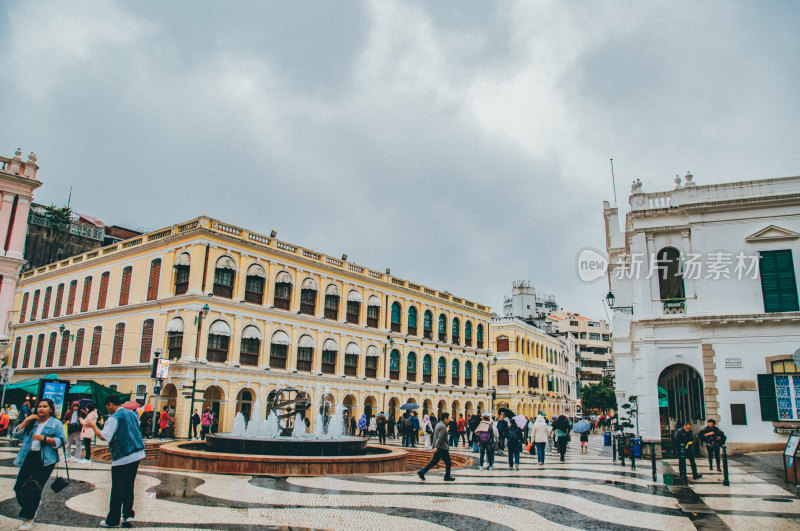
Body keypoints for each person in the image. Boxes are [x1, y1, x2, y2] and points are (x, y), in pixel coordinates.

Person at [85, 394, 145, 528]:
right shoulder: (132, 414)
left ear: (110, 404)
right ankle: (128, 513)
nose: (107, 409)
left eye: (107, 406)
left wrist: (94, 426)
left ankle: (112, 520)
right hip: (137, 453)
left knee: (117, 488)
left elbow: (104, 436)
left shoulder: (114, 418)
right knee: (129, 485)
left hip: (123, 456)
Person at [12, 398, 67, 530]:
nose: (41, 409)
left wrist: (44, 439)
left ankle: (28, 518)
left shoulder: (56, 423)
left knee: (33, 488)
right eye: (39, 406)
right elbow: (16, 435)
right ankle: (33, 505)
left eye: (44, 406)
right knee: (18, 487)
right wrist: (26, 421)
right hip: (29, 456)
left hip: (46, 460)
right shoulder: (32, 422)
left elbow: (61, 441)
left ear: (51, 409)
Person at [417, 412, 455, 482]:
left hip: (439, 447)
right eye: (448, 418)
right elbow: (440, 438)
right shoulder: (443, 427)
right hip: (442, 447)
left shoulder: (438, 424)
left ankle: (422, 472)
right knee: (448, 462)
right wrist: (436, 447)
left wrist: (435, 446)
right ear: (445, 419)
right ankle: (447, 476)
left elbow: (435, 436)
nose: (449, 420)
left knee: (434, 461)